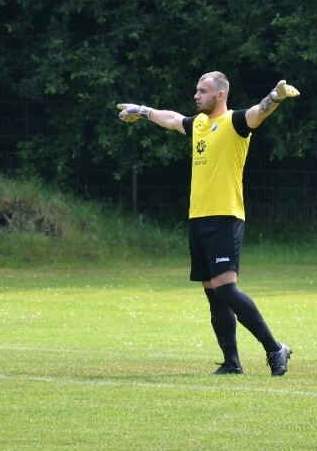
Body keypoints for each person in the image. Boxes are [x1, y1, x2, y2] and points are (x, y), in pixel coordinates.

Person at [116, 71, 299, 376]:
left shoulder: (234, 123)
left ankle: (274, 348)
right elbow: (173, 119)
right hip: (198, 218)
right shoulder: (199, 124)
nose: (196, 95)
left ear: (220, 95)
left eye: (203, 91)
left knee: (226, 290)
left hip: (225, 217)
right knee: (213, 293)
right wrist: (142, 110)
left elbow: (258, 113)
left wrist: (275, 97)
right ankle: (232, 362)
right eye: (196, 90)